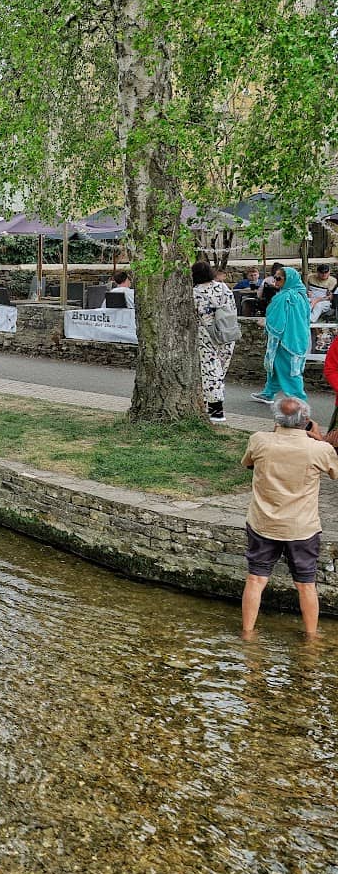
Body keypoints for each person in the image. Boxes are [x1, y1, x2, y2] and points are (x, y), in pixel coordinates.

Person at [240, 396, 338, 639]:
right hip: (301, 527)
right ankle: (311, 636)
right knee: (306, 584)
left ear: (277, 419)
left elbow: (248, 463)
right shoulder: (319, 449)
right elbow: (334, 472)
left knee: (255, 579)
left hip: (263, 523)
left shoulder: (259, 441)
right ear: (306, 420)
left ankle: (248, 633)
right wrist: (319, 438)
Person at [252, 266, 310, 404]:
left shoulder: (285, 297)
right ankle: (268, 392)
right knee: (277, 366)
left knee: (289, 370)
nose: (275, 281)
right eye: (274, 278)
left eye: (278, 278)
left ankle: (299, 401)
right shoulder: (301, 294)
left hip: (286, 340)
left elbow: (277, 321)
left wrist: (265, 323)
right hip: (299, 337)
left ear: (288, 280)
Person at [193, 259, 238, 424]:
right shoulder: (223, 287)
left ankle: (215, 409)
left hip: (207, 335)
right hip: (227, 331)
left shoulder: (196, 292)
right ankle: (210, 404)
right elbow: (232, 307)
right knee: (221, 369)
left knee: (210, 370)